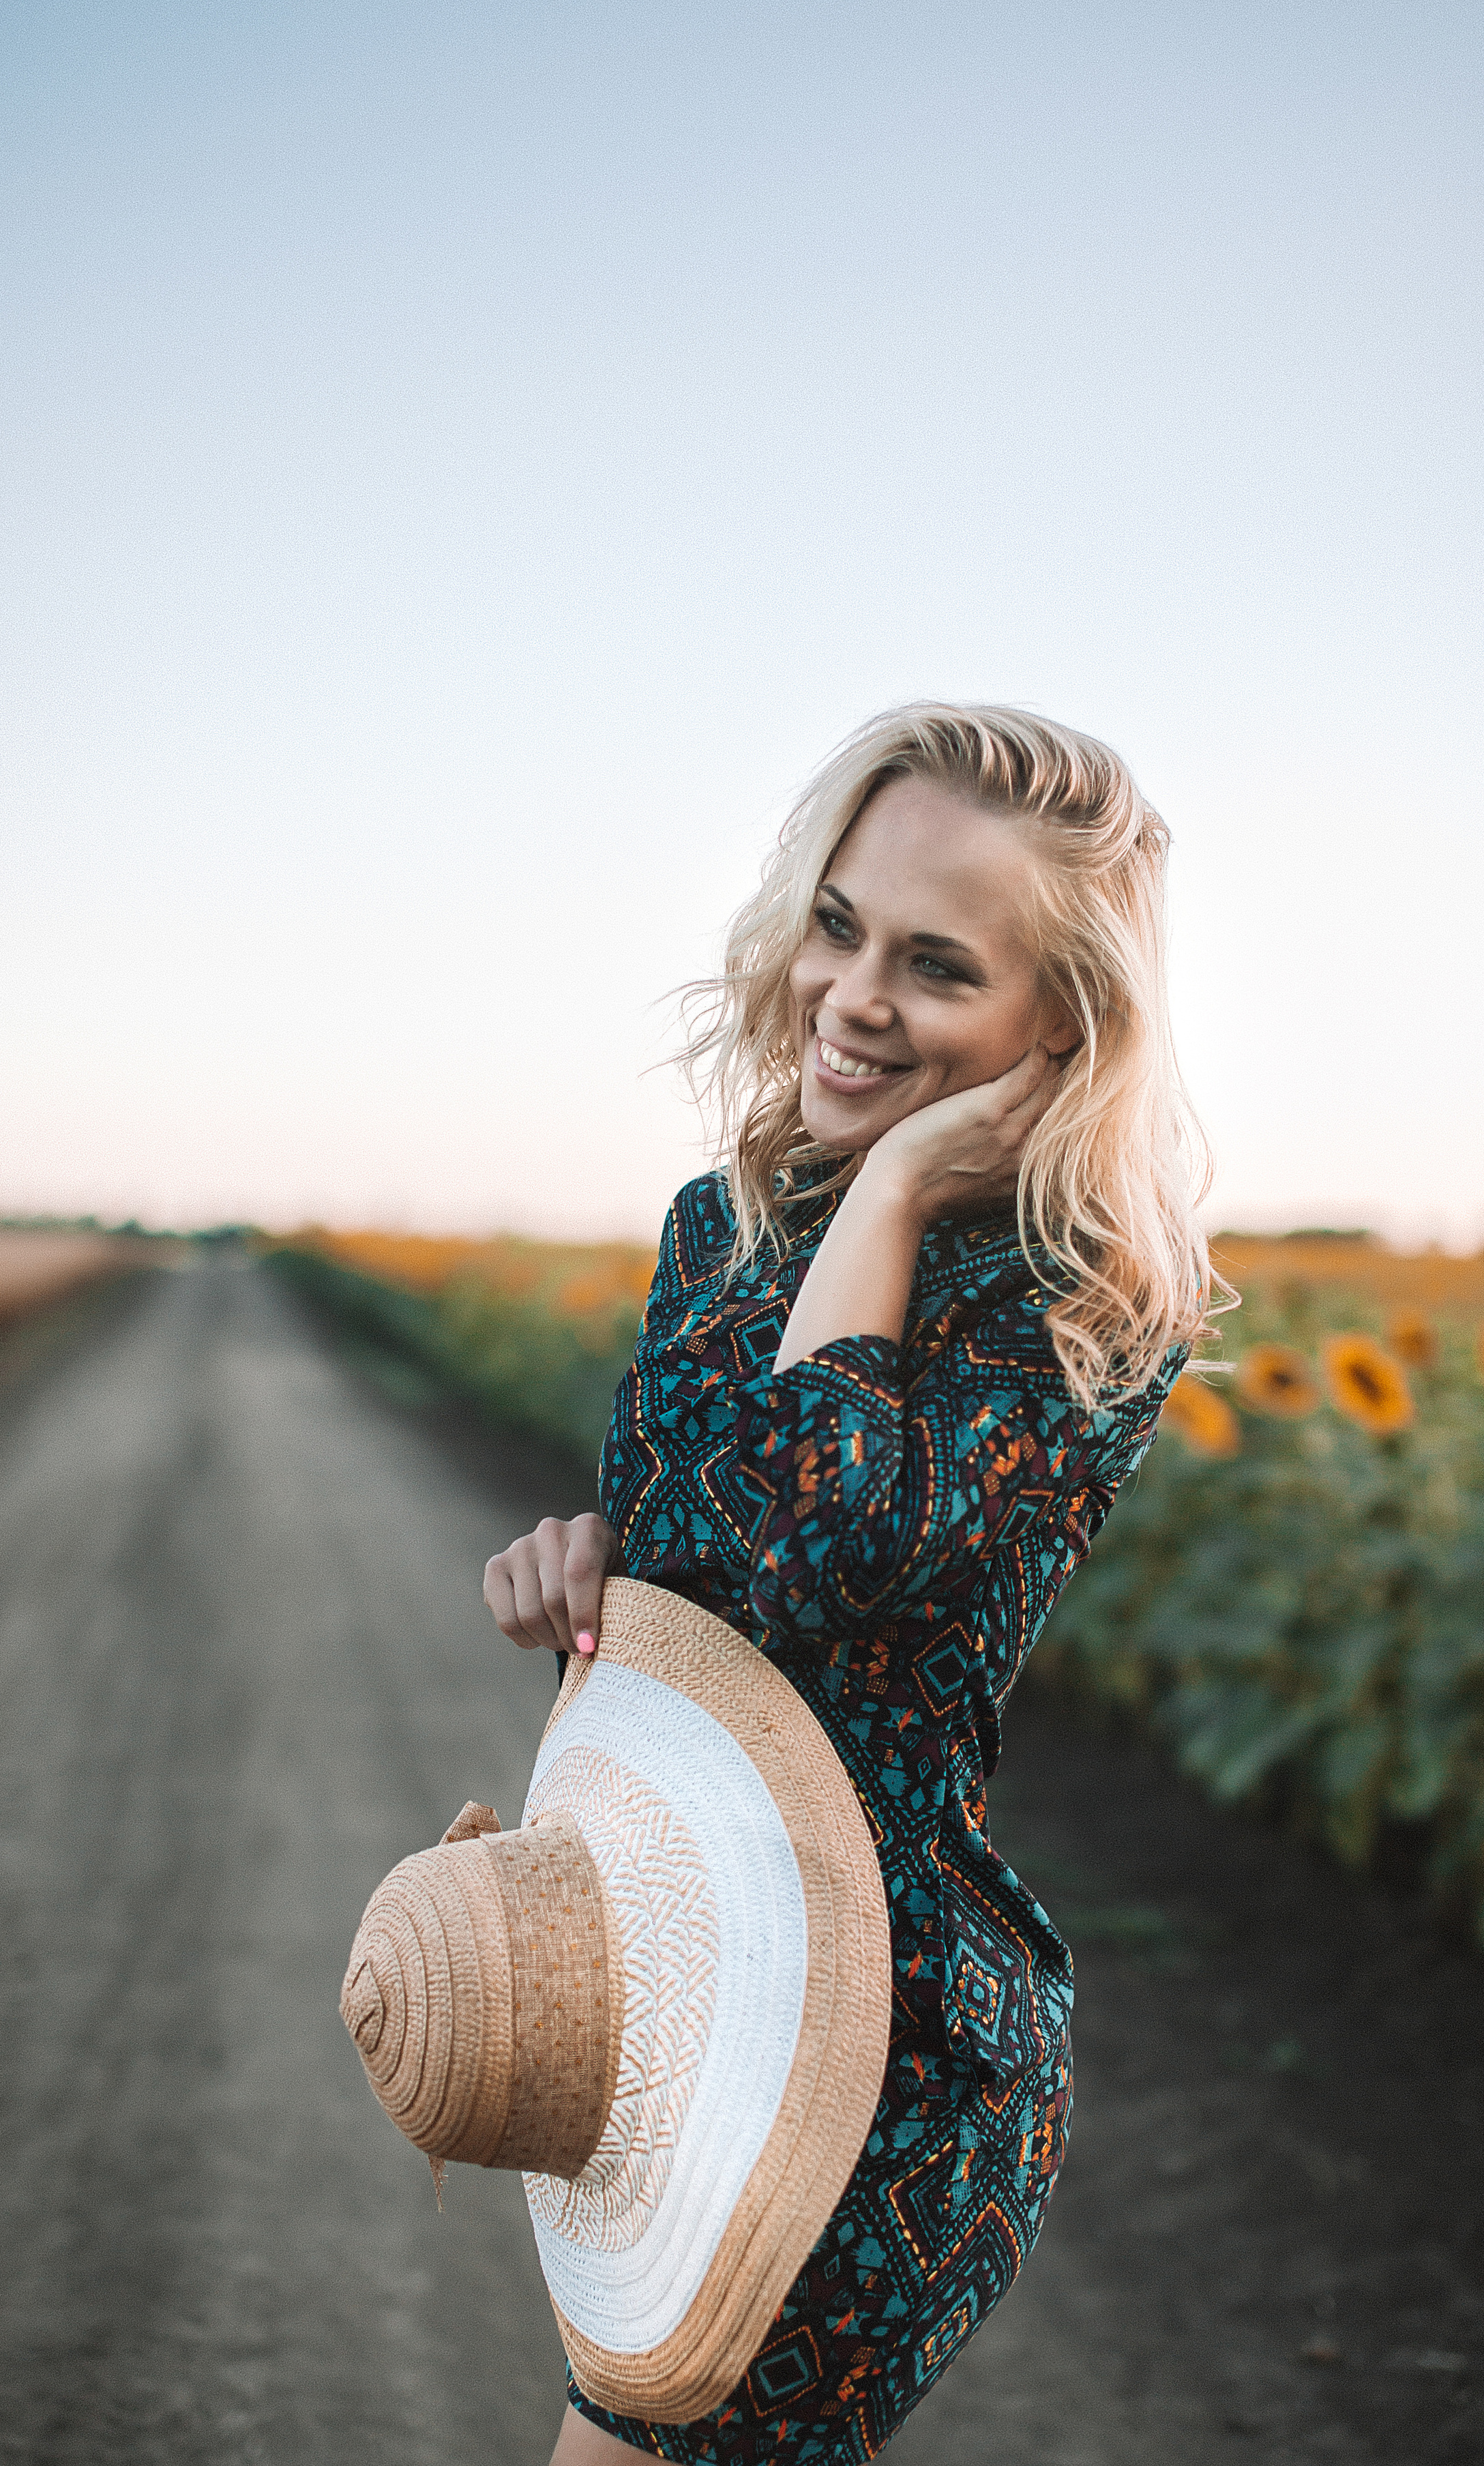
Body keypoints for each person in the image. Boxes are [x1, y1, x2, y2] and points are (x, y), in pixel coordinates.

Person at [484, 703, 1215, 2464]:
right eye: (838, 925)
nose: (853, 996)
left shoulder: (1078, 1312)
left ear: (1062, 1028)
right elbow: (727, 1619)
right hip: (685, 1989)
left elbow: (823, 1559)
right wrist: (589, 1580)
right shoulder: (717, 1233)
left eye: (939, 966)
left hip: (873, 2050)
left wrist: (893, 1186)